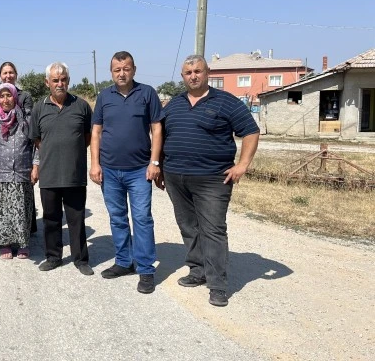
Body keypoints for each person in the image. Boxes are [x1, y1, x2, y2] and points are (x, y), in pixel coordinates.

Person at [158, 54, 260, 307]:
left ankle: (218, 285)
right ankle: (197, 271)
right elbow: (161, 135)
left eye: (198, 71)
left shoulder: (227, 102)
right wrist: (159, 166)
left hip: (212, 179)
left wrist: (242, 165)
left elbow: (251, 131)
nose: (193, 76)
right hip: (175, 176)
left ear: (207, 73)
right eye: (188, 72)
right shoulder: (174, 104)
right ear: (182, 76)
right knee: (188, 226)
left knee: (213, 229)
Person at [89, 51, 162, 294]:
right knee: (117, 218)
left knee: (142, 219)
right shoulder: (104, 96)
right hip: (109, 170)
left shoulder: (147, 93)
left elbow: (156, 129)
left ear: (134, 69)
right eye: (117, 69)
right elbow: (96, 132)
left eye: (126, 68)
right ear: (112, 72)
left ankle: (146, 269)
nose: (122, 73)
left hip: (139, 171)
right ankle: (123, 262)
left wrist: (155, 162)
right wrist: (95, 164)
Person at [30, 62, 93, 275]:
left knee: (76, 219)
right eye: (55, 80)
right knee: (51, 219)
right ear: (47, 82)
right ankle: (53, 257)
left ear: (68, 80)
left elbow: (86, 137)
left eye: (63, 79)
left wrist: (71, 151)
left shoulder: (82, 106)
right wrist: (51, 153)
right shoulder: (39, 108)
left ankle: (81, 259)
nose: (60, 83)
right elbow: (37, 139)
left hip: (74, 174)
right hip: (49, 174)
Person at [0, 83, 35, 259]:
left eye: (9, 96)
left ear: (15, 97)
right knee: (2, 211)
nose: (6, 100)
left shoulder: (24, 118)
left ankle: (22, 243)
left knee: (21, 209)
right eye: (2, 96)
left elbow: (34, 143)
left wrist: (35, 165)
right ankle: (5, 244)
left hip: (21, 172)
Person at [0, 61, 37, 234]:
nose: (8, 75)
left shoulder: (25, 96)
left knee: (23, 198)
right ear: (0, 76)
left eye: (11, 72)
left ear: (16, 74)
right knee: (2, 202)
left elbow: (29, 123)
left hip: (21, 159)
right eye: (4, 73)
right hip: (1, 164)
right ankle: (5, 237)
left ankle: (25, 232)